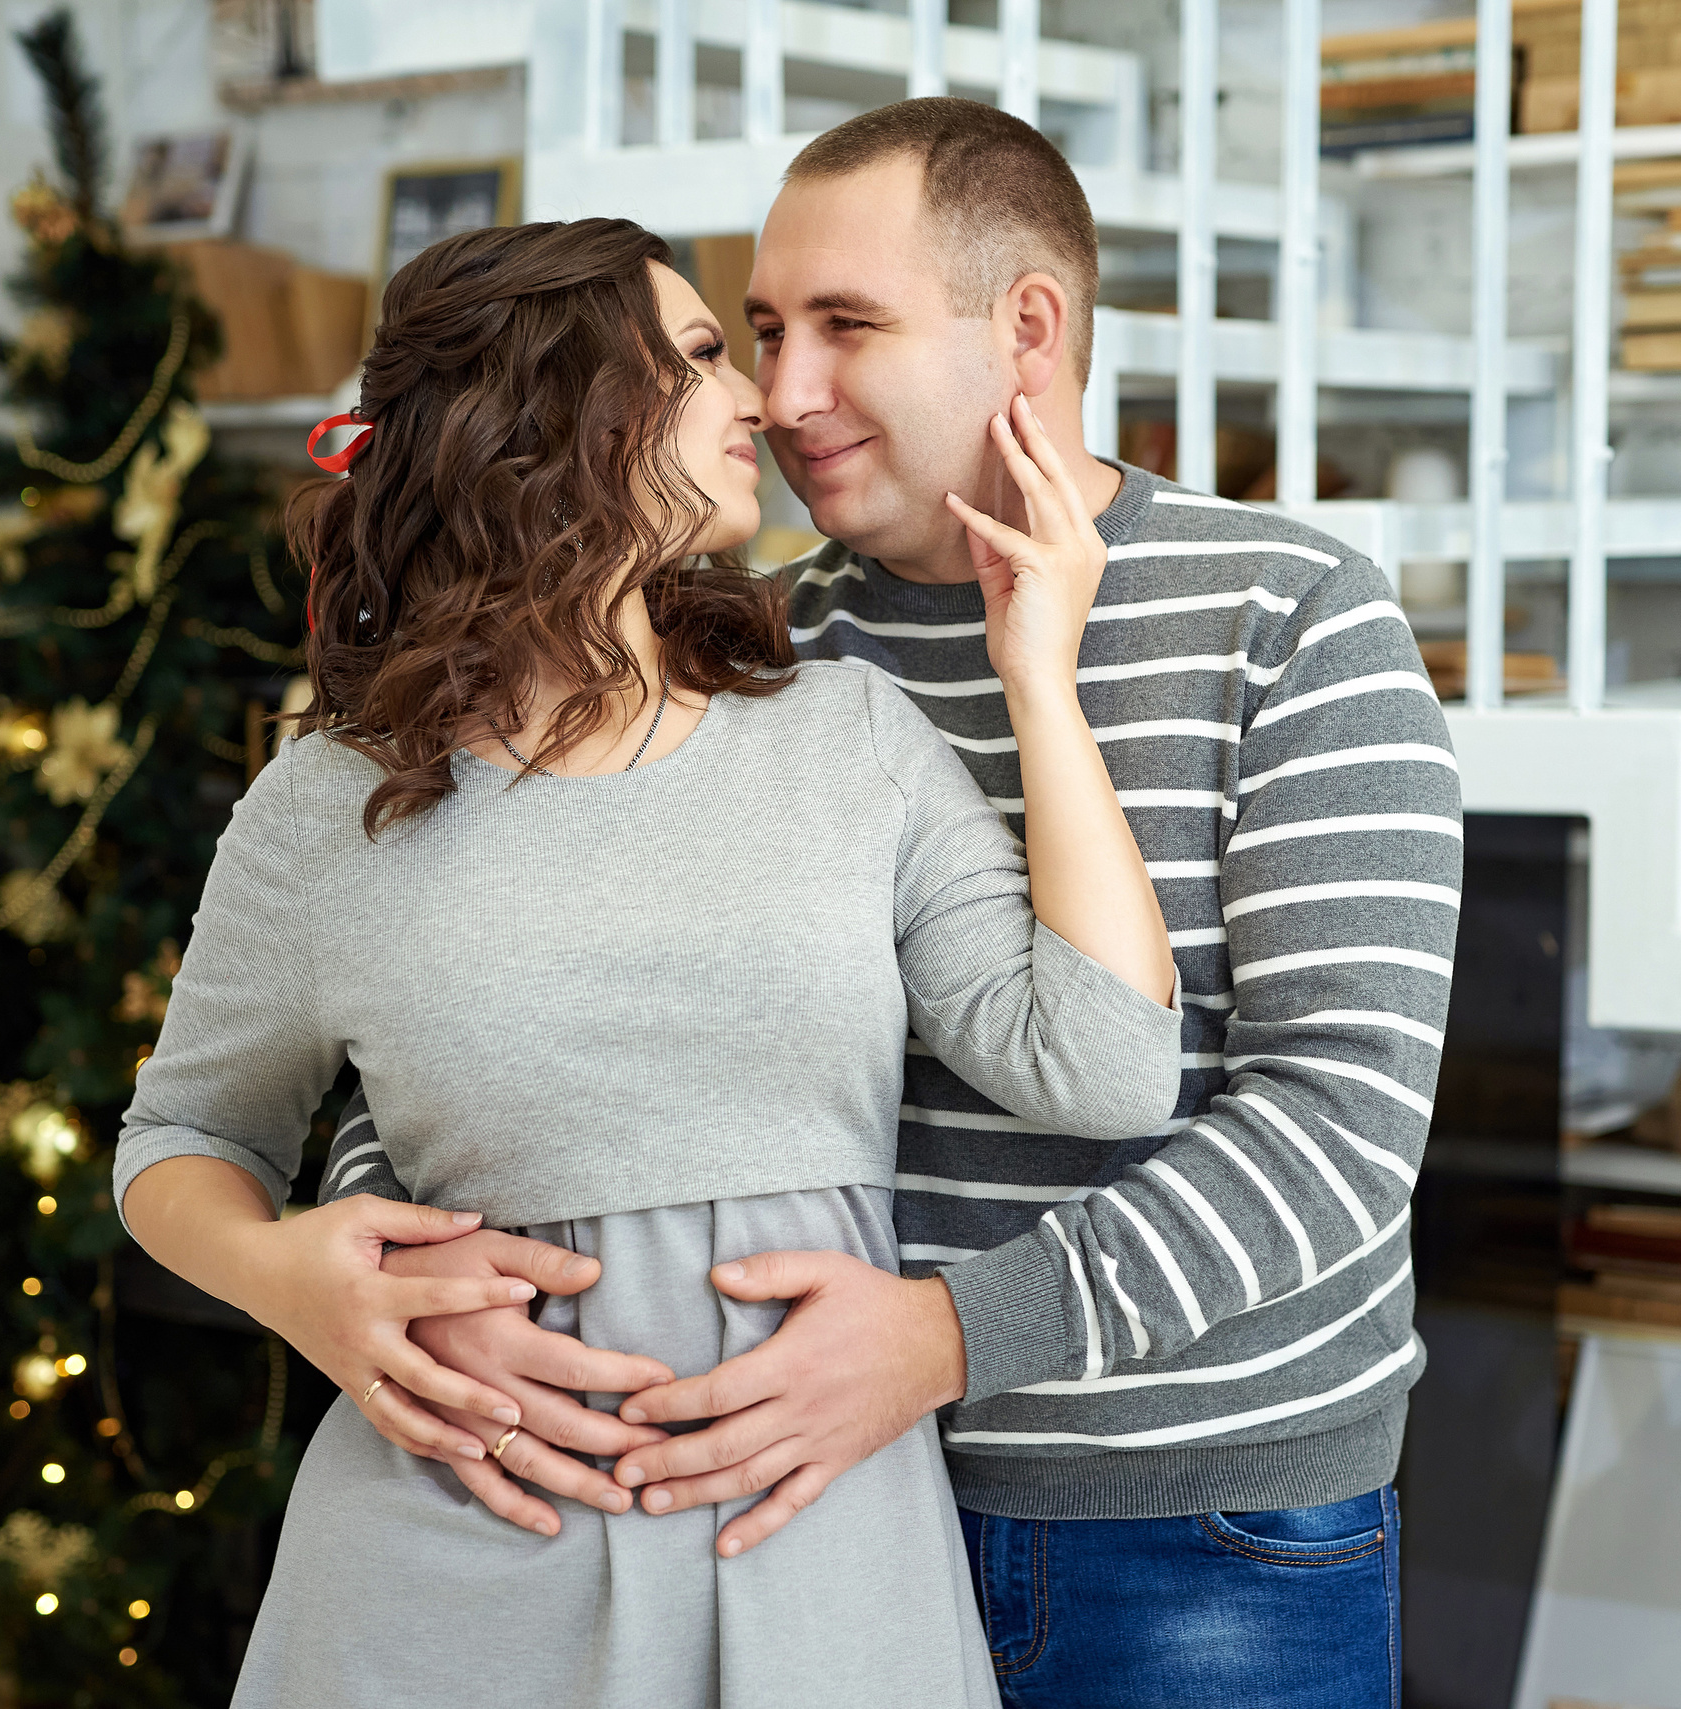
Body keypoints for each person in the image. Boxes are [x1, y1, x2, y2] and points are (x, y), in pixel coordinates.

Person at [365, 100, 1462, 1708]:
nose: (782, 395)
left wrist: (946, 1338)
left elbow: (1341, 1125)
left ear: (1029, 326)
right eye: (758, 334)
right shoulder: (739, 651)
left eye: (845, 327)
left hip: (1205, 1532)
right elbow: (481, 983)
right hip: (801, 1512)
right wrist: (395, 1250)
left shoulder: (1292, 617)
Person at [112, 216, 1190, 1707]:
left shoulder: (852, 738)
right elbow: (181, 1136)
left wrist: (1041, 684)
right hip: (448, 1565)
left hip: (821, 1555)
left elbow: (1112, 1064)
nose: (758, 398)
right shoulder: (324, 808)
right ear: (547, 412)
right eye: (699, 357)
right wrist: (295, 1279)